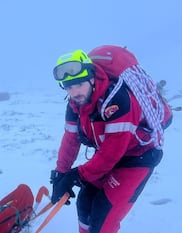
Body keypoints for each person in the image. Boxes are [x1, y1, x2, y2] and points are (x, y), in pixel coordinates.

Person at [49, 49, 166, 233]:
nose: (75, 92)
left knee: (104, 215)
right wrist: (61, 173)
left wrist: (76, 175)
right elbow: (70, 139)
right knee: (85, 203)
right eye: (69, 87)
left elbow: (112, 153)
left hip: (137, 157)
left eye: (79, 84)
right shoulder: (75, 104)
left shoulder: (117, 100)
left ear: (91, 78)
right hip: (108, 156)